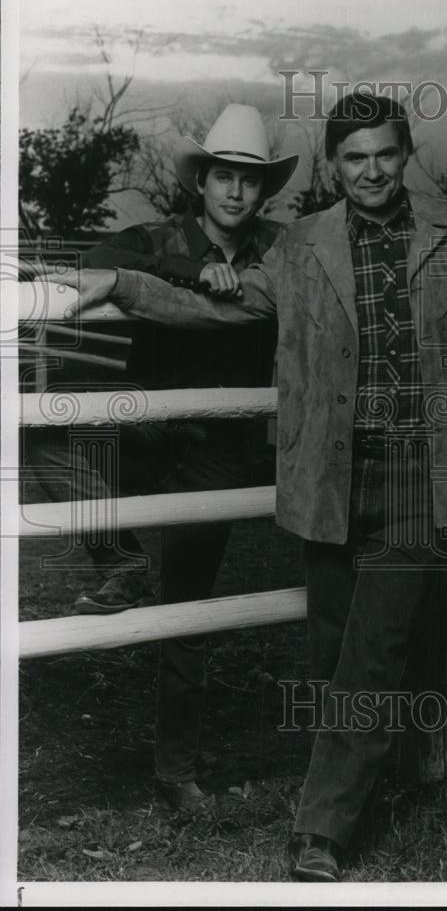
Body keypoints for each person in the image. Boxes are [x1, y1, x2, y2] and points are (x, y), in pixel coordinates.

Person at [45, 92, 447, 879]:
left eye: (384, 155)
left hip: (422, 475)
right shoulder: (301, 247)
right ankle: (405, 776)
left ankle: (320, 827)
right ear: (335, 166)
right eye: (354, 158)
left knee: (371, 648)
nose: (370, 171)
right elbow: (215, 311)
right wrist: (123, 284)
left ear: (405, 156)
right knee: (333, 651)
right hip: (329, 471)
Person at [25, 103, 298, 811]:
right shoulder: (159, 236)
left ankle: (175, 769)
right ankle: (118, 560)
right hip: (147, 430)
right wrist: (189, 270)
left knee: (189, 612)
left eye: (249, 180)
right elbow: (98, 264)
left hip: (221, 455)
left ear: (263, 190)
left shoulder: (281, 251)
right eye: (223, 178)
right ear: (201, 181)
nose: (235, 193)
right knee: (47, 428)